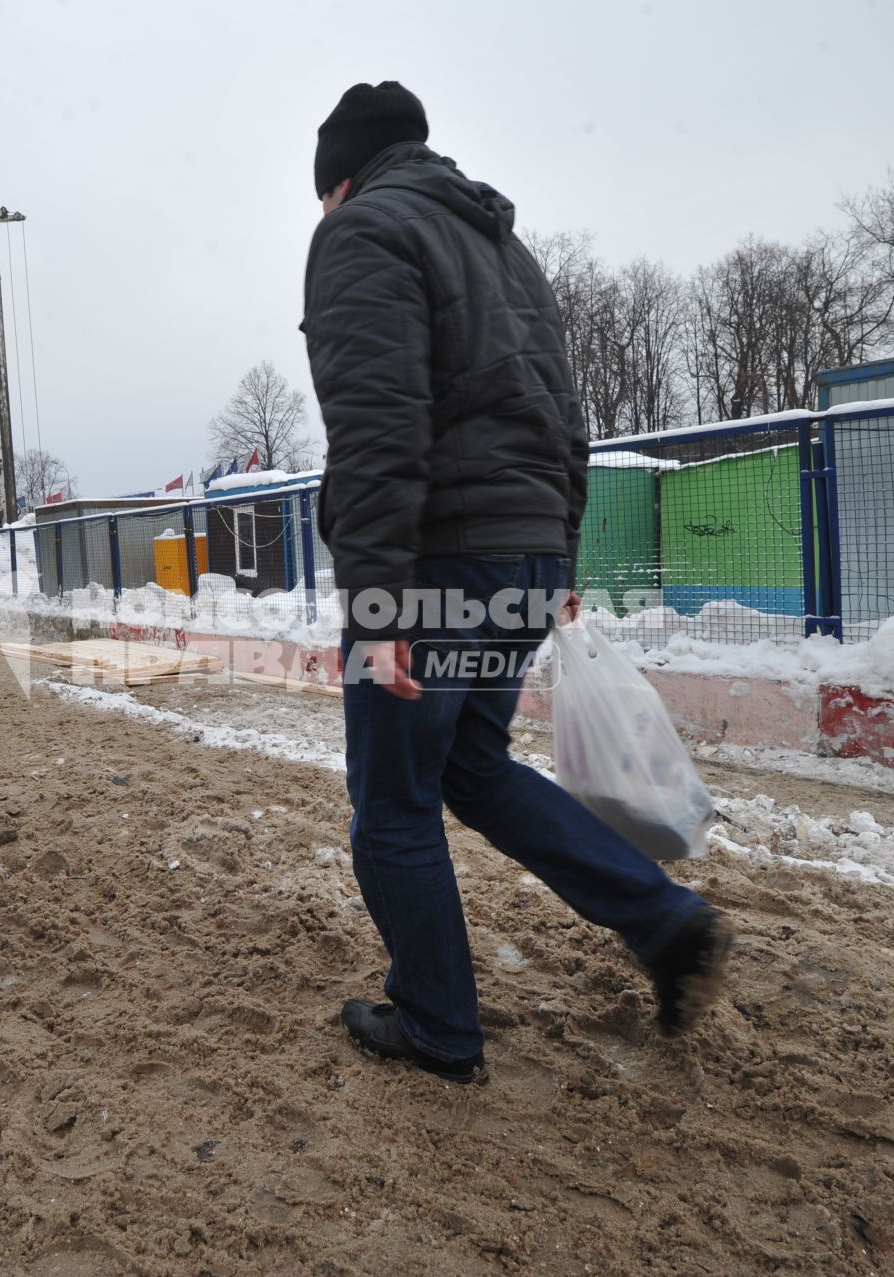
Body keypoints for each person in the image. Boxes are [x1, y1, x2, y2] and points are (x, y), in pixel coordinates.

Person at [302, 83, 732, 1083]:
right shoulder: (504, 249)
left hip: (440, 559)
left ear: (341, 178)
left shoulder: (363, 231)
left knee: (395, 802)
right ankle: (665, 920)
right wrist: (560, 556)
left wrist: (377, 597)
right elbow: (564, 417)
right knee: (473, 766)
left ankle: (438, 1025)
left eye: (322, 197)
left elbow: (378, 421)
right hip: (523, 551)